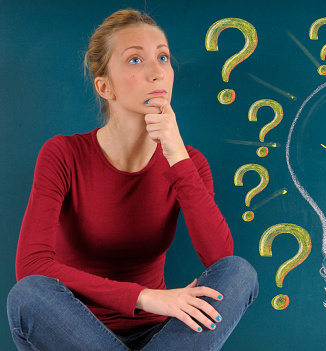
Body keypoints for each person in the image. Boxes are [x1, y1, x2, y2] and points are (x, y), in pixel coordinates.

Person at [7, 8, 258, 351]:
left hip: (163, 338)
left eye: (163, 57)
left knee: (240, 273)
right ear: (104, 86)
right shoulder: (63, 155)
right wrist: (145, 298)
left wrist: (175, 155)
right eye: (136, 60)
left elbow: (220, 259)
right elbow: (31, 266)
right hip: (74, 333)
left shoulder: (189, 162)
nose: (157, 73)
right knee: (27, 295)